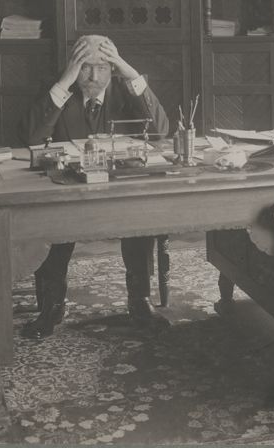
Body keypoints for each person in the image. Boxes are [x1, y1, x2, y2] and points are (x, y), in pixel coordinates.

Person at [18, 34, 170, 339]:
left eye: (101, 67)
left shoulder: (126, 89)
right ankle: (52, 306)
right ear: (74, 67)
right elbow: (32, 138)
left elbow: (160, 132)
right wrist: (65, 80)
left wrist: (128, 70)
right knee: (51, 222)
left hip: (119, 188)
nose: (93, 76)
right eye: (85, 67)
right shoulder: (59, 88)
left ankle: (139, 301)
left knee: (140, 218)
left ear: (112, 69)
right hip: (68, 188)